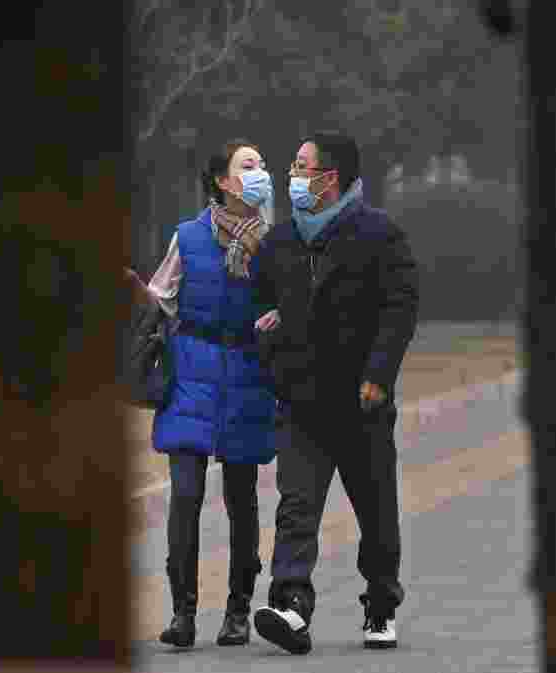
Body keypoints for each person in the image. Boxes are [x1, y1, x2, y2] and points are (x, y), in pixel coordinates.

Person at [249, 131, 419, 654]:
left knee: (376, 512)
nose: (292, 176)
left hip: (361, 403)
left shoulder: (379, 234)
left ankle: (381, 603)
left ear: (330, 179)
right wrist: (272, 342)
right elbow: (261, 304)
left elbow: (400, 308)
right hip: (300, 401)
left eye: (302, 168)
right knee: (296, 506)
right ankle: (291, 605)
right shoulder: (279, 242)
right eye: (294, 166)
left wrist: (378, 376)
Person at [124, 139, 281, 649]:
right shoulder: (188, 237)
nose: (259, 172)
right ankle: (183, 613)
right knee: (186, 496)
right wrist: (134, 293)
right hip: (190, 373)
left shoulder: (275, 242)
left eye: (262, 165)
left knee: (241, 499)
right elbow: (163, 298)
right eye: (248, 165)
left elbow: (292, 302)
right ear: (222, 179)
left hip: (246, 375)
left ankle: (237, 611)